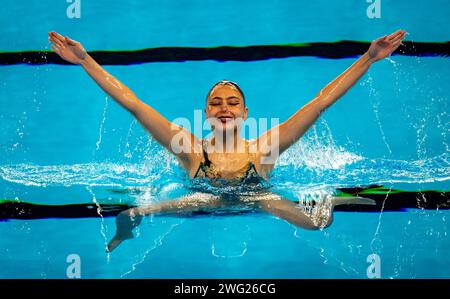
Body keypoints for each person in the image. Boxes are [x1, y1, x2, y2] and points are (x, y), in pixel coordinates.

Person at [48, 29, 406, 252]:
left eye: (232, 103)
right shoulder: (189, 147)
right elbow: (133, 104)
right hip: (201, 199)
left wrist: (368, 58)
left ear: (245, 113)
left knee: (317, 222)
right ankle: (122, 239)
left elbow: (321, 100)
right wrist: (84, 60)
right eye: (215, 103)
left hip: (261, 199)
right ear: (205, 114)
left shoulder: (265, 146)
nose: (224, 108)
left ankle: (331, 201)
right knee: (134, 213)